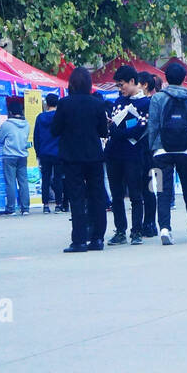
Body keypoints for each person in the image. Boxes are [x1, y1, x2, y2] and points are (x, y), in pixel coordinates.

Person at [148, 62, 187, 244]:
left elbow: (153, 126)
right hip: (186, 151)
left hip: (161, 151)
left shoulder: (157, 98)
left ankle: (165, 228)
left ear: (166, 77)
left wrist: (152, 149)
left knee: (162, 191)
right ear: (184, 78)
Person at [52, 66, 110, 252]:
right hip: (94, 156)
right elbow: (103, 131)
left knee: (77, 198)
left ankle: (79, 240)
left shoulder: (64, 104)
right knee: (97, 196)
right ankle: (98, 238)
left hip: (72, 157)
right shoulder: (97, 104)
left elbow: (55, 130)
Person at [105, 66, 150, 245]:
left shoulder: (145, 103)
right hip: (114, 154)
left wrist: (120, 132)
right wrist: (121, 131)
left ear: (133, 81)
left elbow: (140, 129)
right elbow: (114, 127)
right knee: (116, 195)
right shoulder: (118, 102)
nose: (120, 88)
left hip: (133, 155)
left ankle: (136, 231)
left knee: (135, 194)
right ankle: (120, 230)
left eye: (122, 84)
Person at [0, 97, 31, 215]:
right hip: (23, 155)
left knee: (10, 182)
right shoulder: (26, 124)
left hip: (9, 156)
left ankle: (11, 208)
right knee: (23, 181)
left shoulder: (6, 125)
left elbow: (1, 139)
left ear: (10, 112)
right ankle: (25, 208)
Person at [137, 72, 159, 238]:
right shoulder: (157, 101)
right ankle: (151, 223)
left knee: (148, 188)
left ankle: (149, 222)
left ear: (144, 85)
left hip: (146, 151)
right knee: (151, 189)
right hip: (155, 152)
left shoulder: (149, 103)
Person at [33, 93, 63, 213]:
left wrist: (37, 152)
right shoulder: (60, 117)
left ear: (46, 103)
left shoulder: (40, 117)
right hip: (58, 152)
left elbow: (36, 136)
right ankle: (58, 204)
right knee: (58, 178)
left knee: (45, 179)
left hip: (44, 152)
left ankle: (45, 205)